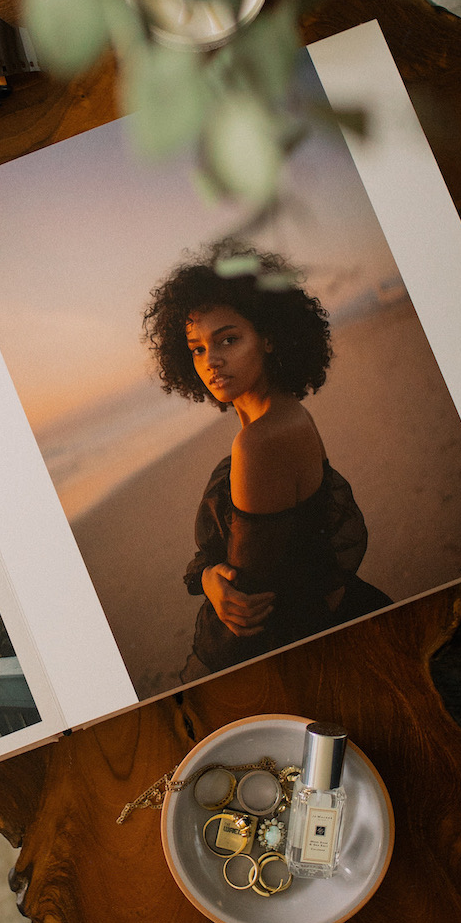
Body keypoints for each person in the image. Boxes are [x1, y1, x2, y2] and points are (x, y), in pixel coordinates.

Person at [143, 242, 391, 682]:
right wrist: (207, 577)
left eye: (228, 339)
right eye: (197, 348)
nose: (211, 361)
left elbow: (248, 597)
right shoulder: (282, 414)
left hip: (297, 647)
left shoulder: (260, 441)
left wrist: (209, 580)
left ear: (270, 337)